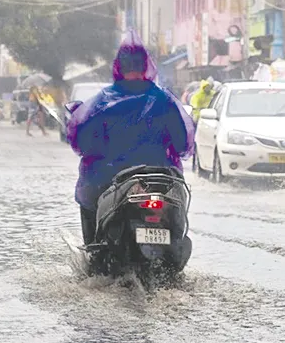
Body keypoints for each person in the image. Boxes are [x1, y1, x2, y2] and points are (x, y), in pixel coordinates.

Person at [66, 30, 194, 246]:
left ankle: (93, 251)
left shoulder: (101, 102)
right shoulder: (165, 100)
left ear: (118, 67)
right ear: (147, 66)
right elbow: (183, 144)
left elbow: (82, 143)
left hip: (107, 181)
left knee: (89, 209)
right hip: (160, 181)